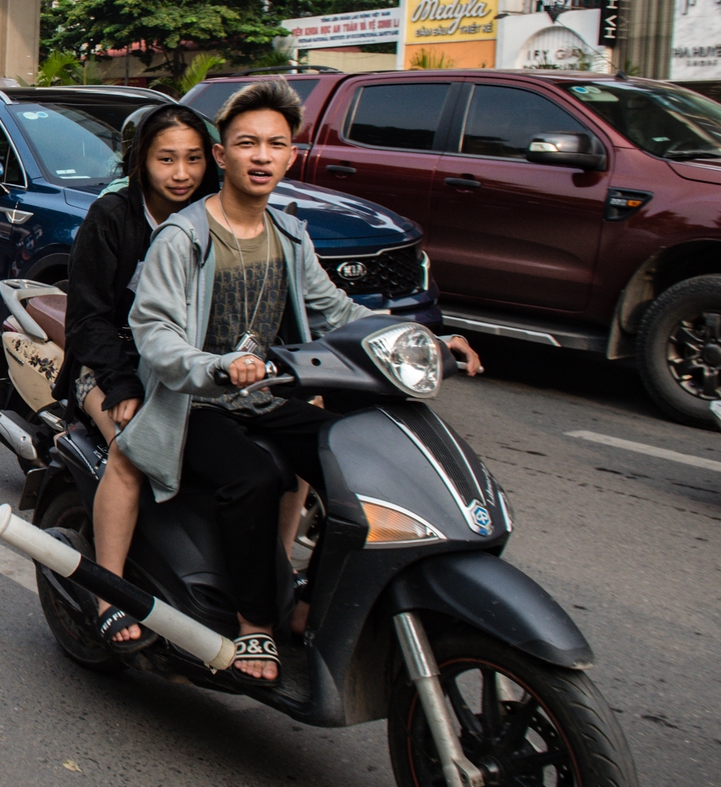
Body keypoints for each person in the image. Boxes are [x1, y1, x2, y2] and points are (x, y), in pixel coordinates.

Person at [119, 79, 483, 684]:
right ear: (222, 156)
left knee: (357, 454)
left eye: (275, 145)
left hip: (264, 396)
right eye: (247, 144)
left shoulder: (289, 235)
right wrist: (213, 366)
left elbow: (337, 312)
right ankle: (254, 622)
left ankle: (314, 601)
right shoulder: (181, 238)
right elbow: (154, 335)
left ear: (291, 156)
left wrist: (430, 341)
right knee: (259, 475)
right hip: (193, 407)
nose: (261, 156)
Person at [51, 104, 215, 651]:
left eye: (192, 159)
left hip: (189, 368)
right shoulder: (112, 217)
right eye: (166, 159)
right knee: (134, 449)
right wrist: (120, 385)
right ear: (142, 161)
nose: (181, 173)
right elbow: (87, 318)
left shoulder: (215, 215)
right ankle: (109, 590)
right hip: (109, 365)